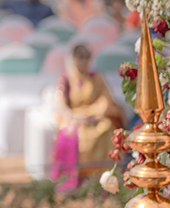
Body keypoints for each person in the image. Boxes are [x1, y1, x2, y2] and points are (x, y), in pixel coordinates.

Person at [52, 43, 124, 191]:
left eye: (86, 58)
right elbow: (62, 105)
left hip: (95, 117)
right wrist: (77, 117)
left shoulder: (96, 77)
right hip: (74, 119)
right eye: (80, 58)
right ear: (73, 60)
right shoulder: (66, 79)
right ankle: (74, 177)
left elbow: (106, 100)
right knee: (69, 134)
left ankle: (102, 176)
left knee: (106, 129)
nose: (83, 62)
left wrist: (93, 114)